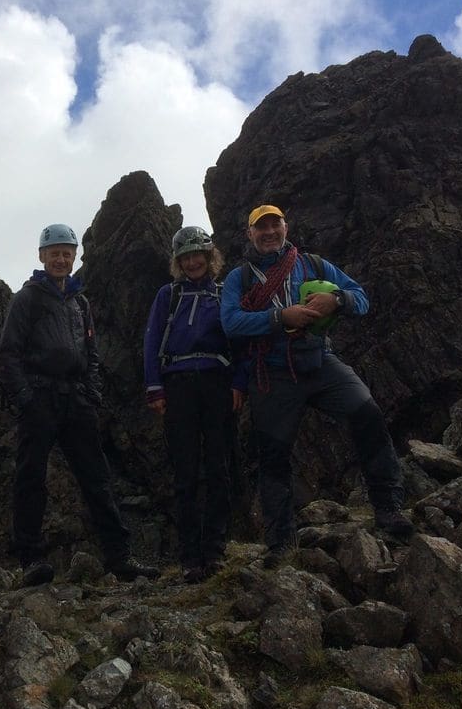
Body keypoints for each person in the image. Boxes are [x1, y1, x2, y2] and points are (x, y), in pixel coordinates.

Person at [220, 204, 414, 568]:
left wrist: (336, 300)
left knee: (368, 415)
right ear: (250, 234)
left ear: (284, 227)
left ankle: (388, 508)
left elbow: (362, 298)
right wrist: (281, 317)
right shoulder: (239, 278)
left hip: (320, 362)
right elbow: (230, 322)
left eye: (274, 225)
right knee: (273, 456)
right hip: (273, 373)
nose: (268, 233)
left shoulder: (312, 264)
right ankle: (280, 542)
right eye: (260, 228)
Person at [0, 223, 160, 586]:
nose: (60, 258)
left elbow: (92, 354)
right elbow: (7, 354)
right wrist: (26, 399)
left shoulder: (79, 302)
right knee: (30, 478)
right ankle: (30, 559)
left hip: (76, 399)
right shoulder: (27, 299)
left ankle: (120, 558)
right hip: (39, 397)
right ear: (42, 257)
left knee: (97, 478)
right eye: (53, 252)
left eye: (66, 253)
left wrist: (92, 392)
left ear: (74, 257)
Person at [143, 226, 245, 584]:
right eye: (185, 257)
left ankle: (215, 550)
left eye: (198, 254)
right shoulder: (167, 296)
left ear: (210, 256)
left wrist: (238, 383)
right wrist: (155, 388)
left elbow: (240, 341)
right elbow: (152, 339)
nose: (193, 261)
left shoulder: (224, 293)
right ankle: (189, 556)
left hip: (218, 383)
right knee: (185, 473)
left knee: (219, 468)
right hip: (179, 385)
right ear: (178, 261)